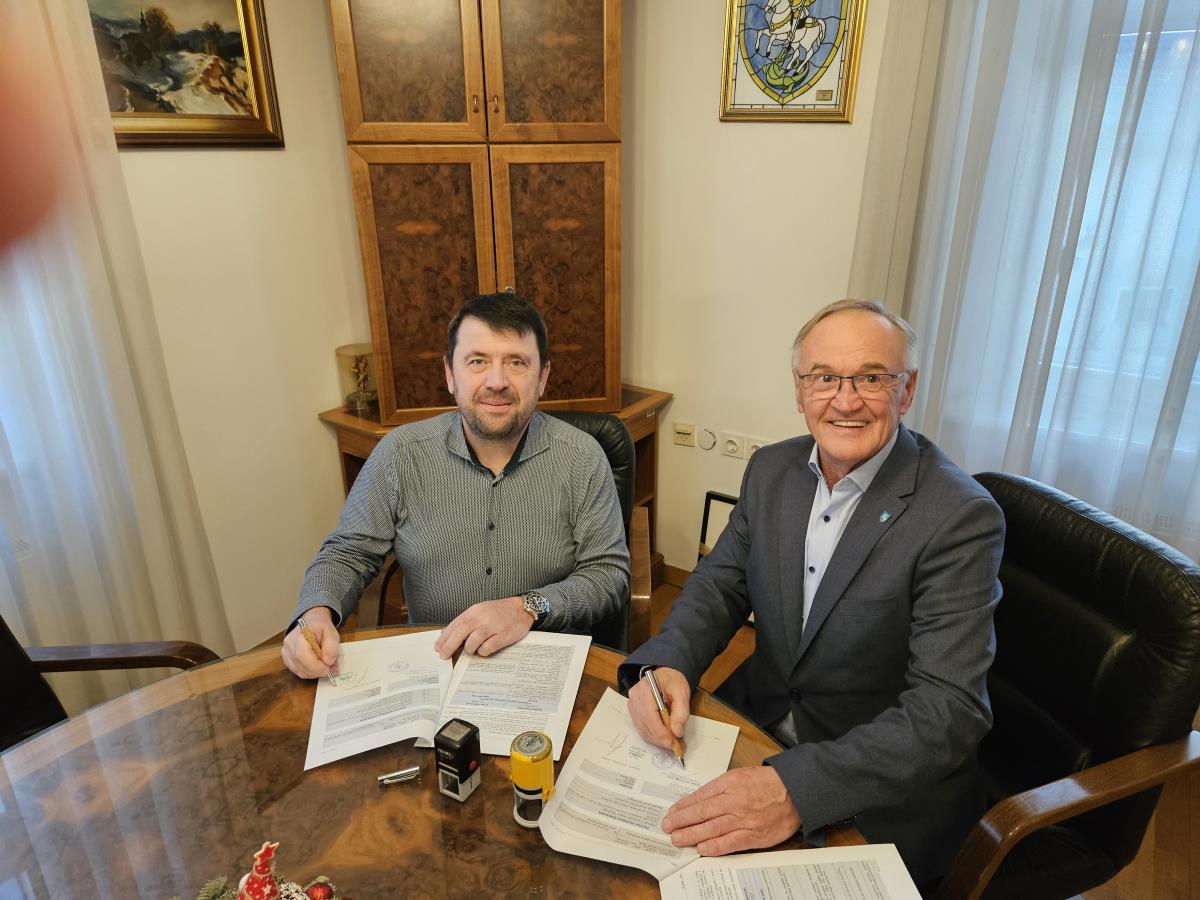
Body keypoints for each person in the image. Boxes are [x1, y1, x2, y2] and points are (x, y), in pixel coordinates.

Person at [623, 300, 1004, 885]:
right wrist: (667, 663)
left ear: (907, 390)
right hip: (756, 721)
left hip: (874, 785)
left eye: (872, 378)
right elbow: (721, 584)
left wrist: (795, 789)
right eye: (824, 377)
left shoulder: (959, 517)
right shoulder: (771, 470)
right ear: (799, 390)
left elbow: (949, 710)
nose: (845, 401)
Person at [283, 294, 629, 678]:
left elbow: (607, 575)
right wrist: (316, 613)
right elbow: (348, 552)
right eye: (477, 361)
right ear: (450, 374)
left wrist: (527, 607)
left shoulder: (582, 457)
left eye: (516, 362)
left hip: (544, 666)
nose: (496, 382)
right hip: (434, 666)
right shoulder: (400, 454)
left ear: (543, 377)